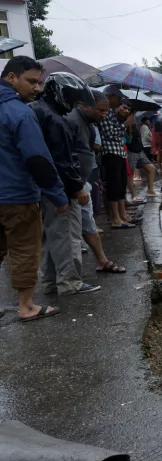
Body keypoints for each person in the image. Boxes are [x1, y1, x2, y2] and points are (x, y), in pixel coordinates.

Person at [0, 56, 66, 321]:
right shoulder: (20, 113)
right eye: (31, 81)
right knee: (25, 250)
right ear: (11, 77)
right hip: (17, 197)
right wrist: (57, 194)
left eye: (39, 82)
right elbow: (38, 159)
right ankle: (26, 306)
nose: (37, 88)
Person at [29, 72, 101, 296]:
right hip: (59, 188)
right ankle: (70, 282)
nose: (73, 104)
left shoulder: (36, 111)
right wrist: (77, 188)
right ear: (61, 94)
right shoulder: (56, 120)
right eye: (71, 98)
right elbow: (63, 161)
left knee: (50, 237)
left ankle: (52, 283)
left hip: (41, 188)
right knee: (67, 235)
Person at [66, 89, 125, 274]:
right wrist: (76, 185)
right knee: (71, 231)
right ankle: (68, 280)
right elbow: (66, 157)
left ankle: (102, 261)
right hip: (72, 184)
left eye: (106, 111)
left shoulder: (89, 125)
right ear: (85, 106)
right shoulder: (71, 122)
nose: (104, 114)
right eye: (101, 110)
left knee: (88, 222)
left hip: (82, 181)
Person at [98, 91, 136, 228]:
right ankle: (115, 219)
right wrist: (125, 124)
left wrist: (127, 125)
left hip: (119, 154)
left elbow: (123, 138)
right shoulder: (107, 114)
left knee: (121, 187)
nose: (126, 111)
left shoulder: (117, 118)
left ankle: (123, 215)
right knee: (113, 188)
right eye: (124, 107)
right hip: (110, 154)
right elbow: (110, 134)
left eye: (128, 109)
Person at [127, 113, 156, 199]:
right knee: (130, 174)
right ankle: (133, 195)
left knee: (151, 168)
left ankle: (150, 190)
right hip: (131, 152)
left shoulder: (135, 125)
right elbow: (127, 140)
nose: (133, 117)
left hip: (139, 150)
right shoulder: (125, 125)